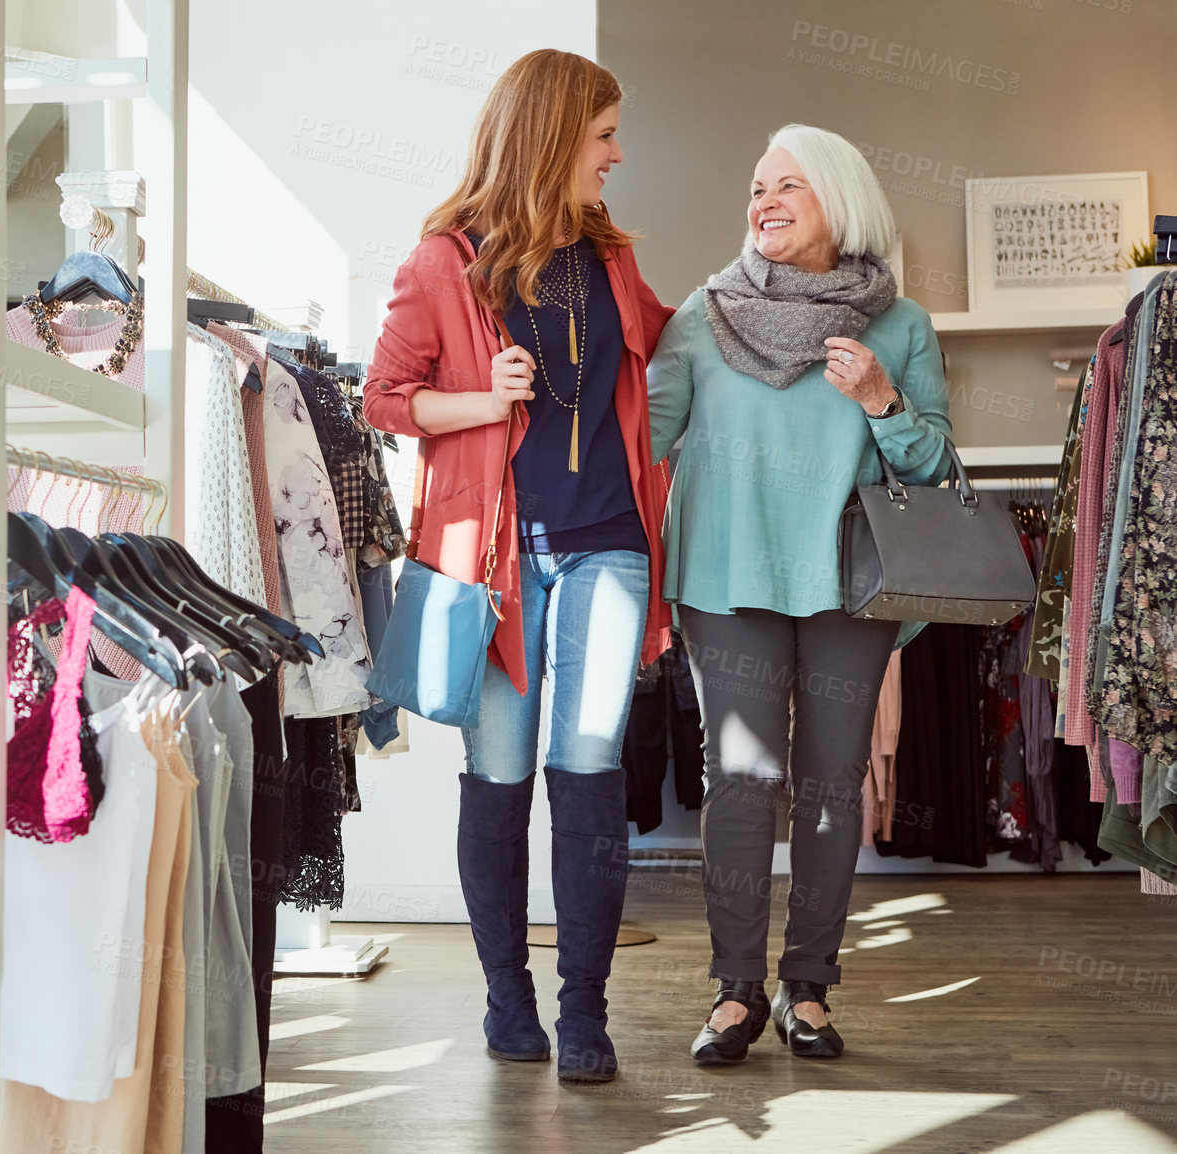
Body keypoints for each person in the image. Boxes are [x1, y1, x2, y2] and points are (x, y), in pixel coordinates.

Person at [364, 49, 674, 1084]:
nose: (616, 156)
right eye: (603, 137)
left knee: (589, 773)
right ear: (551, 138)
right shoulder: (445, 260)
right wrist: (482, 400)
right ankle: (509, 996)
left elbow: (675, 356)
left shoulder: (613, 259)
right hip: (493, 566)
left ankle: (585, 1009)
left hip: (609, 550)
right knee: (497, 778)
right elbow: (384, 396)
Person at [646, 124, 954, 1063]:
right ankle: (735, 992)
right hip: (725, 580)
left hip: (846, 588)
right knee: (741, 786)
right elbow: (643, 435)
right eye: (755, 187)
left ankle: (807, 989)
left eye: (789, 186)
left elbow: (935, 461)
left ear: (839, 201)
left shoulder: (896, 324)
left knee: (828, 790)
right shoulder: (701, 314)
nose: (764, 202)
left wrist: (880, 402)